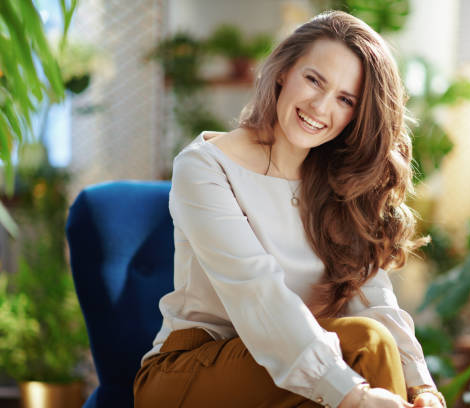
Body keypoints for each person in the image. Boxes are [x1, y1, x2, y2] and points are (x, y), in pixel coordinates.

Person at [134, 10, 445, 408]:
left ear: (356, 115)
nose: (320, 106)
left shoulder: (338, 182)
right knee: (365, 345)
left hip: (300, 365)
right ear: (284, 71)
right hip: (189, 372)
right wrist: (353, 396)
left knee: (365, 345)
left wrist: (423, 389)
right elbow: (258, 295)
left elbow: (373, 297)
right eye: (314, 80)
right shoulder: (204, 165)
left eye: (345, 99)